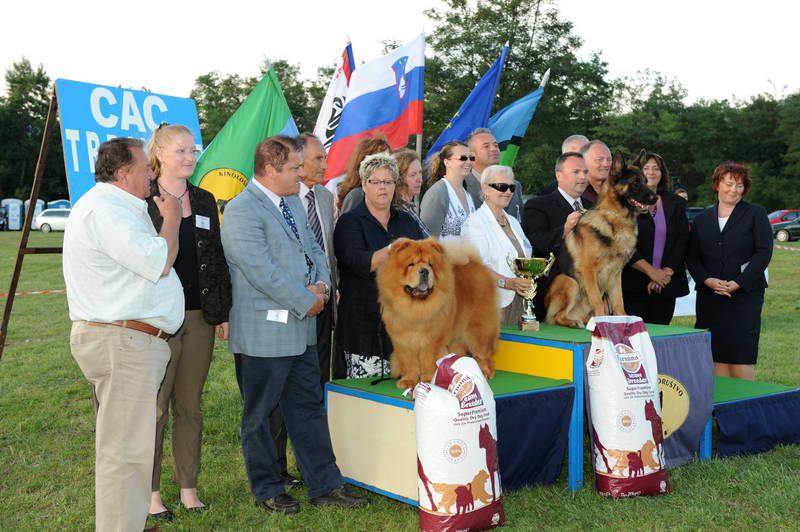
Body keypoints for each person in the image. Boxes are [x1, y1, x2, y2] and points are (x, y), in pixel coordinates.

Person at [221, 135, 367, 514]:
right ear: (270, 169)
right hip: (263, 336)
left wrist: (321, 287)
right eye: (294, 168)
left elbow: (316, 249)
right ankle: (267, 487)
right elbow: (260, 271)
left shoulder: (291, 203)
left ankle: (325, 483)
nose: (301, 173)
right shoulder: (241, 210)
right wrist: (309, 301)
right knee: (261, 415)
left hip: (300, 329)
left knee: (308, 409)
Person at [63, 137, 184, 531]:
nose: (152, 173)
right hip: (124, 342)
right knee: (125, 452)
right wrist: (172, 219)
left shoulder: (115, 208)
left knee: (130, 447)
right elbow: (158, 261)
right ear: (123, 173)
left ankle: (128, 521)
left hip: (128, 341)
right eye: (146, 167)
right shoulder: (107, 210)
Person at [144, 124, 232, 520]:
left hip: (198, 316)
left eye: (192, 150)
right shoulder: (142, 198)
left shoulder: (204, 198)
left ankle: (188, 489)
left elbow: (215, 256)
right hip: (156, 318)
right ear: (159, 153)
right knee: (155, 409)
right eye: (180, 150)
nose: (189, 157)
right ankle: (150, 493)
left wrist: (220, 312)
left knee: (190, 407)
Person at [266, 133, 339, 491]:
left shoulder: (325, 197)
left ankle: (313, 463)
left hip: (323, 307)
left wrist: (325, 289)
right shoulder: (283, 200)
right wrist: (303, 295)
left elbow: (324, 252)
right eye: (317, 159)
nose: (325, 165)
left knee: (313, 388)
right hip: (289, 309)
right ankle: (277, 467)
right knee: (279, 393)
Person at [334, 153, 427, 378]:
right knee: (365, 401)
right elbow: (361, 263)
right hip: (363, 328)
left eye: (388, 182)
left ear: (396, 185)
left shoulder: (406, 220)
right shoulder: (350, 222)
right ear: (364, 185)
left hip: (405, 329)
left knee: (401, 397)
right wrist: (397, 248)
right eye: (375, 182)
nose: (382, 188)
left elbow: (424, 261)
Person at [686, 162, 772, 380]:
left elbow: (763, 252)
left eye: (740, 185)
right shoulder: (702, 219)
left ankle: (745, 410)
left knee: (741, 356)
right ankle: (720, 410)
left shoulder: (756, 214)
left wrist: (739, 282)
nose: (734, 189)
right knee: (715, 356)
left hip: (744, 296)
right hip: (710, 297)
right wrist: (707, 280)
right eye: (729, 183)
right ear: (717, 184)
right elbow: (692, 257)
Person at [621, 151, 689, 324]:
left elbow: (682, 241)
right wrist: (652, 274)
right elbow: (624, 245)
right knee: (635, 339)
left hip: (668, 284)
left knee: (661, 337)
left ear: (662, 173)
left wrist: (665, 273)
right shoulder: (625, 203)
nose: (651, 172)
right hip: (634, 284)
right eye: (646, 168)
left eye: (656, 168)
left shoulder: (677, 203)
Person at [521, 152, 593, 319]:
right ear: (558, 175)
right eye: (576, 172)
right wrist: (565, 229)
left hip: (586, 299)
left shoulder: (594, 208)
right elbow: (536, 244)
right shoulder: (538, 205)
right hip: (552, 297)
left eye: (585, 172)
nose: (582, 177)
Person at [461, 165, 534, 326]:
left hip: (520, 302)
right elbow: (477, 267)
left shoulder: (513, 222)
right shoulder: (475, 223)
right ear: (485, 188)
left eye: (511, 187)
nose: (508, 191)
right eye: (502, 186)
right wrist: (507, 282)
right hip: (491, 305)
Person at [420, 141, 476, 238]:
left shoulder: (468, 195)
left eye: (471, 158)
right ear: (447, 162)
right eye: (463, 158)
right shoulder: (438, 192)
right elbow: (427, 239)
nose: (468, 162)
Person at [466, 128, 524, 219]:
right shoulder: (461, 187)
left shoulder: (515, 186)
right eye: (486, 146)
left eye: (496, 145)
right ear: (471, 155)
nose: (494, 149)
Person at [337, 135, 391, 214]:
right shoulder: (357, 196)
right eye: (380, 159)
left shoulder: (389, 193)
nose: (387, 163)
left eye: (389, 158)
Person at [392, 148, 430, 235]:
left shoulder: (408, 207)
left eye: (420, 172)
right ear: (399, 179)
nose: (419, 179)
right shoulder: (399, 213)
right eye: (413, 175)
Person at [580, 140, 611, 204]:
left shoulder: (619, 190)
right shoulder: (572, 194)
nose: (606, 164)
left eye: (609, 159)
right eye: (599, 159)